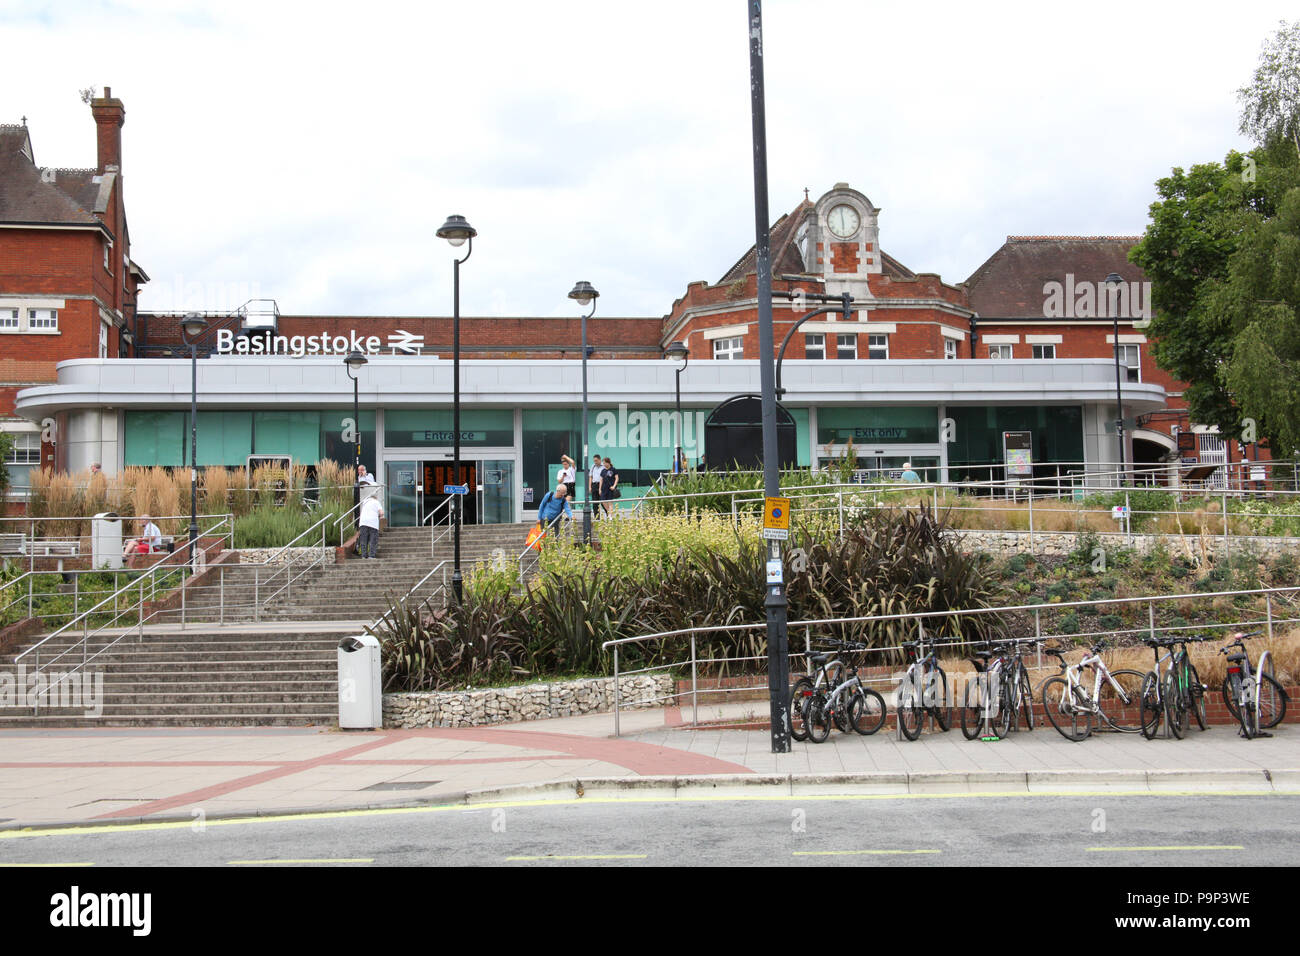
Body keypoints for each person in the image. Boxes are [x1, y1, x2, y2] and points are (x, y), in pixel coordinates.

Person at [358, 493, 384, 559]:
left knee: (363, 540)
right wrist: (380, 516)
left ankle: (364, 555)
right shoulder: (376, 502)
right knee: (373, 540)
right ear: (375, 498)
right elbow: (381, 512)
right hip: (373, 523)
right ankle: (371, 556)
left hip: (363, 522)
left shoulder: (365, 502)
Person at [589, 455, 605, 520]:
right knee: (595, 503)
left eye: (596, 460)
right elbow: (590, 477)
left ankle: (608, 516)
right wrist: (590, 487)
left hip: (601, 485)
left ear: (599, 460)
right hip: (594, 485)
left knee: (603, 502)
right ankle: (597, 518)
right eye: (594, 461)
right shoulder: (593, 467)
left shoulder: (603, 466)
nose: (595, 462)